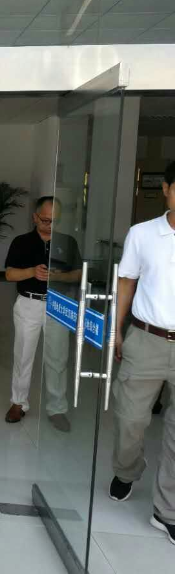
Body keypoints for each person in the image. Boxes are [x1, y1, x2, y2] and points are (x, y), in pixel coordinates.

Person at [109, 161, 175, 546]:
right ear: (166, 189)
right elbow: (126, 283)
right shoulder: (143, 234)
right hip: (146, 338)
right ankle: (127, 470)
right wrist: (117, 330)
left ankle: (167, 510)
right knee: (129, 419)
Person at [4, 196, 82, 432]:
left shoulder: (67, 242)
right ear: (35, 217)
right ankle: (18, 403)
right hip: (29, 303)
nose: (49, 225)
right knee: (23, 355)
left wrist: (58, 276)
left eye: (54, 221)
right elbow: (9, 274)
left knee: (58, 358)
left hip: (58, 305)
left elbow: (78, 273)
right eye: (45, 220)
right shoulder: (21, 242)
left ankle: (57, 408)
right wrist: (31, 272)